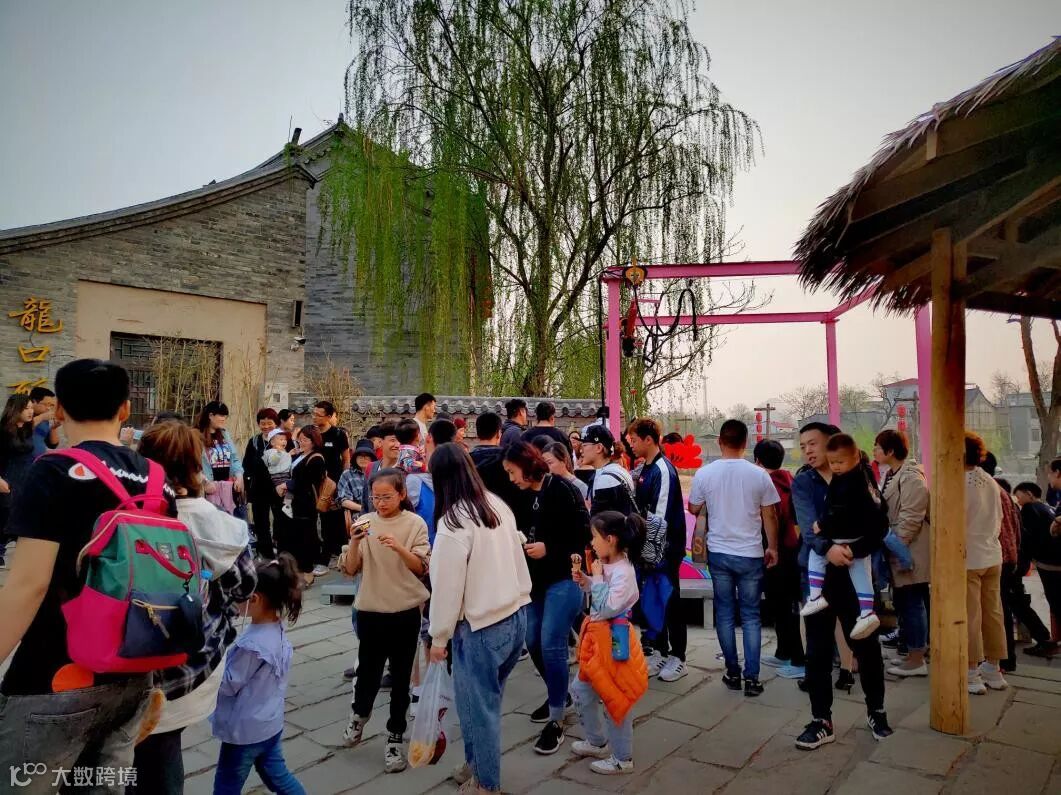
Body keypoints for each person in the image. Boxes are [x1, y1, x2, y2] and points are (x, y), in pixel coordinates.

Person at [0, 359, 176, 786]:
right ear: (125, 409)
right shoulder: (157, 481)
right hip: (133, 672)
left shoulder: (53, 470)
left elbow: (28, 584)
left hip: (56, 675)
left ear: (59, 410)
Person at [133, 420, 258, 794]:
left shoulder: (123, 508)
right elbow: (244, 585)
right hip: (186, 663)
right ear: (195, 463)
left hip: (120, 653)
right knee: (162, 752)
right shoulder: (211, 520)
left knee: (128, 754)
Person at [427, 443, 532, 794]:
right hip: (514, 616)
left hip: (481, 627)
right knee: (482, 704)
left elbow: (446, 587)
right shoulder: (495, 504)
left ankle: (486, 784)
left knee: (479, 708)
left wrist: (438, 637)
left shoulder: (453, 522)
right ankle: (476, 765)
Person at [339, 469, 430, 774]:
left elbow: (421, 568)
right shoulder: (364, 521)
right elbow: (350, 569)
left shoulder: (414, 524)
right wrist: (354, 542)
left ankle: (395, 737)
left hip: (405, 611)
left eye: (386, 496)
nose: (380, 502)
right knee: (368, 673)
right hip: (371, 610)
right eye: (375, 497)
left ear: (402, 494)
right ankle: (358, 716)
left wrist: (398, 547)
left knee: (401, 679)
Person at [503, 441, 591, 754]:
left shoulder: (564, 490)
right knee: (532, 639)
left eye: (512, 471)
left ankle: (556, 719)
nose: (511, 478)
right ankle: (560, 695)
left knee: (552, 642)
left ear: (527, 465)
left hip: (565, 577)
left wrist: (549, 548)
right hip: (534, 582)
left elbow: (583, 535)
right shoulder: (519, 495)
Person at [688, 420, 779, 696]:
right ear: (746, 442)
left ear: (720, 441)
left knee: (725, 613)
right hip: (751, 553)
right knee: (751, 616)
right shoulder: (759, 475)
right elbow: (770, 515)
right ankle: (752, 678)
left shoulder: (705, 473)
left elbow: (693, 507)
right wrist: (773, 547)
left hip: (719, 552)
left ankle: (732, 671)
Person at [211, 553, 306, 794]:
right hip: (269, 724)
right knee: (279, 778)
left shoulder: (252, 646)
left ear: (254, 599)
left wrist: (209, 666)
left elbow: (228, 684)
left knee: (226, 786)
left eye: (238, 595)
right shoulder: (277, 631)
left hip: (244, 732)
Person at [569, 511, 648, 776]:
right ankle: (596, 741)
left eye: (595, 537)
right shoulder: (608, 565)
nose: (592, 543)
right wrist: (587, 580)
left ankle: (622, 759)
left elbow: (606, 607)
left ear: (610, 539)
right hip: (598, 640)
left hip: (615, 640)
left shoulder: (624, 571)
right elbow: (599, 594)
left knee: (616, 697)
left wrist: (597, 578)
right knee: (581, 690)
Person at [800, 434, 886, 641]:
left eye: (840, 462)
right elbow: (879, 509)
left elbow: (838, 512)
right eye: (833, 463)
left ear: (855, 457)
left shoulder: (847, 482)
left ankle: (815, 595)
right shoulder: (864, 474)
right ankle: (867, 612)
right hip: (859, 540)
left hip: (844, 536)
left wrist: (822, 525)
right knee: (861, 575)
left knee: (816, 556)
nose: (836, 467)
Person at [627, 417, 688, 682]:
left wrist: (649, 553)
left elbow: (659, 517)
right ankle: (660, 651)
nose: (631, 445)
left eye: (634, 440)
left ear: (648, 440)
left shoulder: (663, 470)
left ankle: (679, 657)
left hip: (665, 550)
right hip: (649, 551)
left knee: (670, 601)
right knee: (653, 602)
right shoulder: (645, 469)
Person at [874, 429, 931, 677]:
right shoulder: (892, 474)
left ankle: (917, 657)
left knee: (912, 602)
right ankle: (911, 652)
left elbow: (912, 514)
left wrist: (899, 545)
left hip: (910, 547)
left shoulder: (910, 476)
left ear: (890, 451)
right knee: (905, 602)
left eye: (878, 447)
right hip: (898, 546)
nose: (875, 451)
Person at [756, 439, 806, 680]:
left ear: (757, 461)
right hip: (791, 552)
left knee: (785, 607)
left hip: (778, 553)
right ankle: (783, 651)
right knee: (780, 604)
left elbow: (771, 519)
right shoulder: (789, 480)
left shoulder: (769, 486)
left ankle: (798, 659)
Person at [964, 432, 1008, 695]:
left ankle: (971, 671)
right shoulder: (990, 481)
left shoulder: (958, 482)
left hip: (969, 557)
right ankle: (994, 667)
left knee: (971, 616)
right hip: (992, 554)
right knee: (993, 613)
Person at [1012, 481, 1061, 657]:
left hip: (1047, 563)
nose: (1018, 500)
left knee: (1055, 602)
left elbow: (1027, 538)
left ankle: (1047, 642)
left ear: (1029, 494)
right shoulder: (1046, 508)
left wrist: (1024, 559)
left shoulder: (1029, 509)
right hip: (1055, 561)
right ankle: (1050, 641)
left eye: (1019, 496)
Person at [277, 425, 327, 586]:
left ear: (314, 441)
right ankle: (295, 572)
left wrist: (287, 484)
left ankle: (308, 572)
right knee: (293, 538)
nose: (301, 442)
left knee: (306, 538)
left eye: (305, 439)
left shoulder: (317, 458)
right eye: (300, 439)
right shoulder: (300, 455)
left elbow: (307, 482)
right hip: (293, 503)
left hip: (306, 505)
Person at [313, 401, 351, 575]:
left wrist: (343, 482)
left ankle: (330, 556)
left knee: (332, 520)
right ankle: (321, 554)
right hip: (313, 484)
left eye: (318, 414)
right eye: (314, 413)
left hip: (333, 484)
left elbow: (346, 459)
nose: (314, 417)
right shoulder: (312, 433)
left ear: (329, 416)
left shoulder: (338, 434)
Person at [0, 394, 36, 569]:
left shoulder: (27, 430)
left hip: (25, 480)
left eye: (31, 408)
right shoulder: (3, 431)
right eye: (26, 408)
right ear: (15, 409)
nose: (31, 411)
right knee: (4, 517)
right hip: (6, 479)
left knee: (22, 517)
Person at [244, 408, 281, 559]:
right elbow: (246, 464)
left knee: (281, 520)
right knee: (261, 522)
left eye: (269, 423)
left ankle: (282, 550)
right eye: (262, 423)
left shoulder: (283, 439)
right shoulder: (254, 441)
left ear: (276, 423)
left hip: (279, 488)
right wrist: (246, 487)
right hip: (259, 488)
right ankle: (266, 554)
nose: (266, 427)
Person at [196, 401, 245, 512]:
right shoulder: (196, 435)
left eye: (225, 416)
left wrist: (239, 476)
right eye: (221, 415)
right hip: (208, 490)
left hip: (228, 489)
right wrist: (205, 482)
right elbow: (193, 465)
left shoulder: (224, 434)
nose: (224, 419)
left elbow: (234, 458)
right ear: (210, 416)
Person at [580, 425, 638, 516]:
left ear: (599, 448)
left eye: (584, 445)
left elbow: (598, 520)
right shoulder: (617, 470)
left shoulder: (606, 480)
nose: (581, 451)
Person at [471, 411, 522, 508]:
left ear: (477, 433)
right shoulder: (509, 460)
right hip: (506, 511)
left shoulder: (466, 460)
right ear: (499, 433)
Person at [339, 439, 375, 519]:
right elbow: (343, 500)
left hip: (379, 513)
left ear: (372, 458)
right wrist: (364, 509)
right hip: (358, 514)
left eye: (366, 455)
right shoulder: (347, 474)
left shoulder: (379, 472)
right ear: (355, 457)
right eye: (360, 455)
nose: (363, 458)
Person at [29, 385, 61, 458]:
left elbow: (53, 445)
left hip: (38, 461)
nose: (48, 408)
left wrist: (53, 428)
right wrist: (42, 417)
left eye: (51, 405)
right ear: (34, 401)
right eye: (47, 404)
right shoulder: (21, 414)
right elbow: (22, 429)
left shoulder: (44, 420)